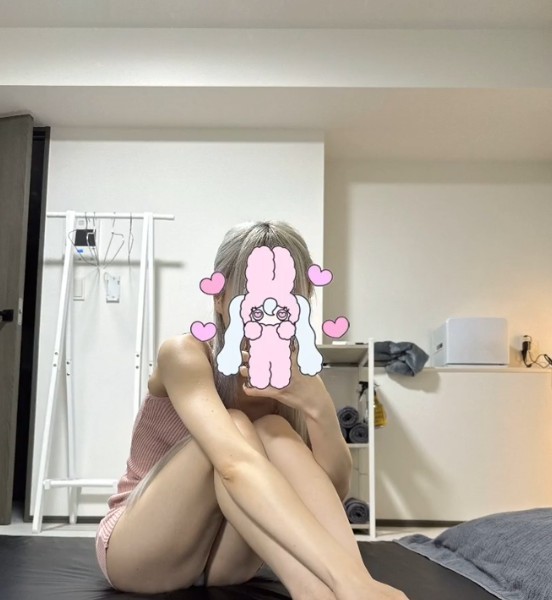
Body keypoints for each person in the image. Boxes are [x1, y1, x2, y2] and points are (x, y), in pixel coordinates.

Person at [95, 221, 408, 600]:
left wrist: (319, 406)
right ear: (220, 299)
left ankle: (322, 593)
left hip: (225, 562)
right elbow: (234, 465)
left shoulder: (294, 376)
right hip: (141, 550)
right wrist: (348, 579)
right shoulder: (185, 354)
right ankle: (351, 584)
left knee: (275, 428)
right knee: (239, 427)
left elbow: (329, 492)